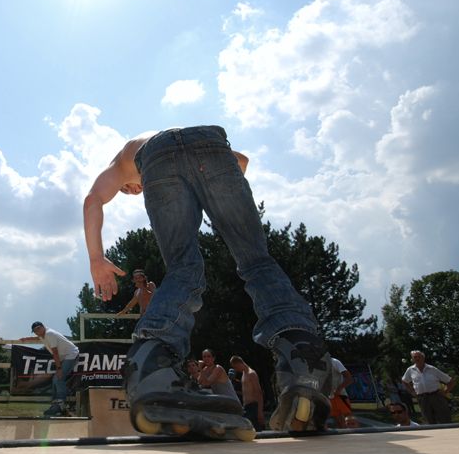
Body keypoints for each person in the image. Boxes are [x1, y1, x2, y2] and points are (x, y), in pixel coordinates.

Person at [83, 125, 333, 436]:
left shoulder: (124, 159)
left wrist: (97, 259)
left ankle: (153, 361)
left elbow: (93, 198)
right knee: (256, 260)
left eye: (133, 189)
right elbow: (240, 162)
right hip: (213, 147)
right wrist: (218, 197)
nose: (137, 191)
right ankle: (303, 358)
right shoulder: (171, 136)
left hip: (158, 160)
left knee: (183, 268)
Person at [19, 322, 79, 416]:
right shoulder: (43, 335)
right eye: (35, 331)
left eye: (38, 329)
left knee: (59, 378)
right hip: (65, 356)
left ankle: (60, 405)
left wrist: (59, 368)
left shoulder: (49, 334)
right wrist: (27, 338)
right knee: (55, 380)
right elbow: (38, 338)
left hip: (71, 354)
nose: (37, 332)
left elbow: (55, 352)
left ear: (43, 326)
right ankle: (57, 405)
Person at [401, 350, 455, 424]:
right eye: (415, 357)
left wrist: (445, 391)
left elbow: (450, 381)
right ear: (412, 359)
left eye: (419, 357)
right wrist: (412, 391)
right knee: (429, 420)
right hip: (422, 398)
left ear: (423, 358)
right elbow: (404, 381)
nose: (417, 359)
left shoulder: (432, 369)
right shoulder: (410, 370)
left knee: (444, 419)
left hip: (436, 396)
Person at [229, 355, 265, 431]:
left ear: (239, 363)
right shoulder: (244, 374)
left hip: (253, 407)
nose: (236, 369)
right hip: (247, 407)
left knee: (254, 431)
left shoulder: (251, 374)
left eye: (235, 367)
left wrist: (260, 411)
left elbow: (259, 392)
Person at [329, 358, 354, 429]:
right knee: (339, 422)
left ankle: (355, 437)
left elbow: (349, 378)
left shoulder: (335, 362)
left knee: (349, 419)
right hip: (330, 396)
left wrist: (339, 389)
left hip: (340, 395)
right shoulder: (317, 363)